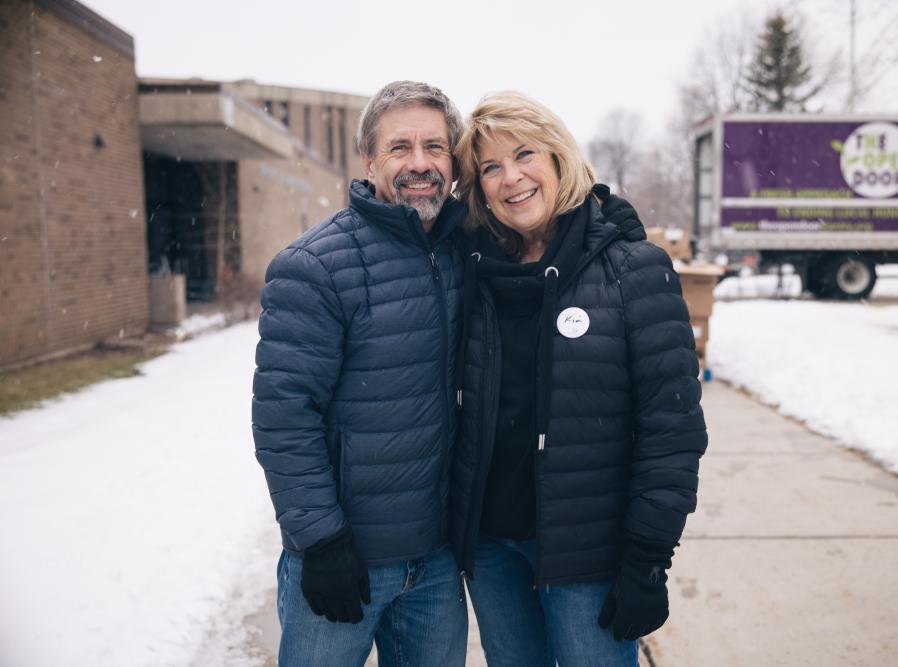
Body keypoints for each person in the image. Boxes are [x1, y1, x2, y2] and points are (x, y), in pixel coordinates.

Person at [449, 91, 708, 667]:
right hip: (492, 548)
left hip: (589, 554)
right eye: (490, 167)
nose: (511, 178)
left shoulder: (632, 270)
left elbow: (672, 428)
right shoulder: (472, 272)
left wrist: (647, 558)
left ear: (559, 157)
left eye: (524, 155)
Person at [251, 80, 469, 667]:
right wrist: (320, 540)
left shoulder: (464, 252)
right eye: (400, 148)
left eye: (435, 147)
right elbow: (283, 417)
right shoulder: (314, 267)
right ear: (369, 159)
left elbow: (543, 235)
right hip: (342, 559)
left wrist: (605, 223)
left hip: (436, 563)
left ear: (454, 160)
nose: (419, 164)